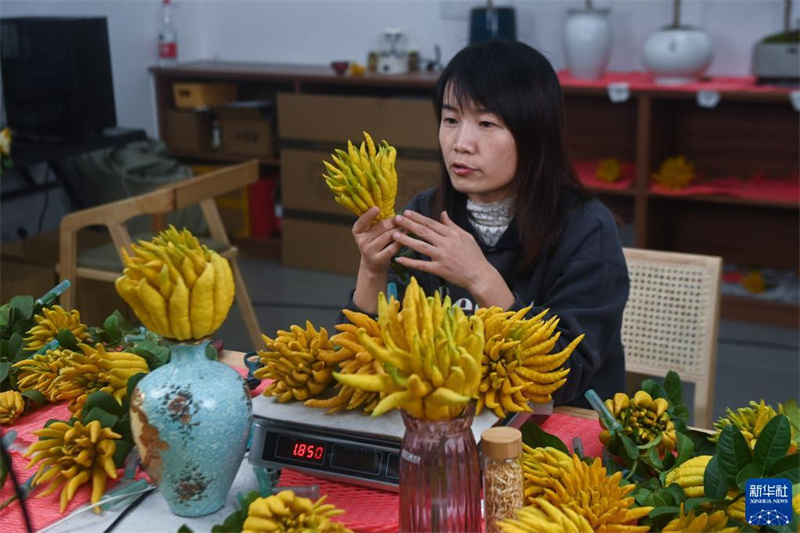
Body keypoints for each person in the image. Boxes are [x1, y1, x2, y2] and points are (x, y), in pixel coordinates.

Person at [341, 40, 629, 408]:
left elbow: (565, 379)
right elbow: (364, 360)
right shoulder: (425, 213)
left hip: (558, 437)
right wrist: (372, 270)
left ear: (534, 133)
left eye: (486, 123)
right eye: (450, 120)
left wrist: (482, 279)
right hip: (452, 421)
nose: (461, 143)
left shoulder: (587, 230)